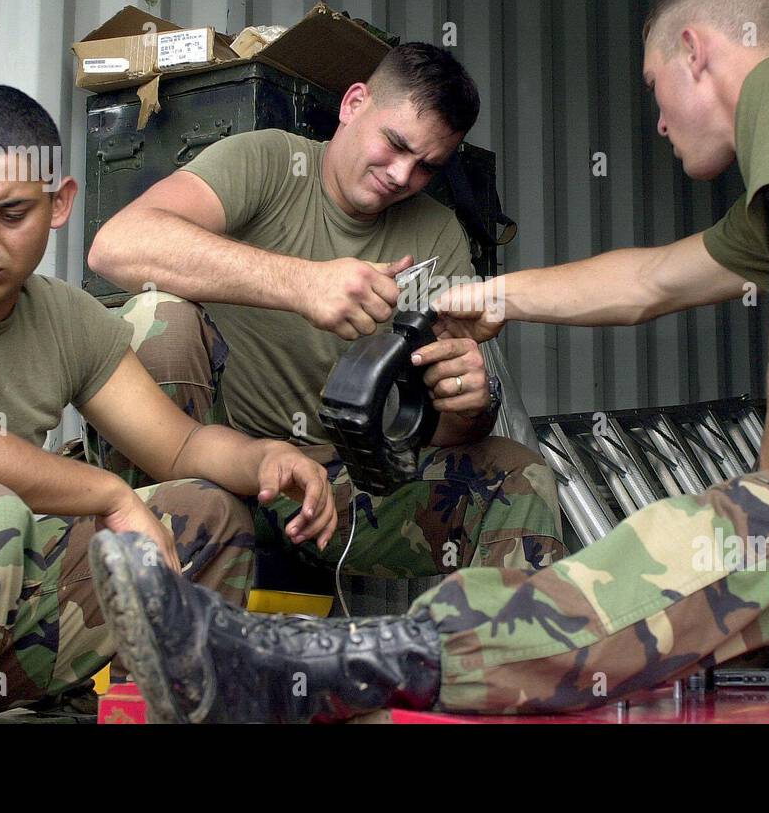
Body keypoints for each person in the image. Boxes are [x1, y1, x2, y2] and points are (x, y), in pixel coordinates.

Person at [87, 0, 769, 723]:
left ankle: (315, 674)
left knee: (723, 536)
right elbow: (653, 279)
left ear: (697, 54)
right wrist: (499, 296)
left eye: (655, 89)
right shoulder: (267, 164)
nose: (655, 122)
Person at [0, 84, 329, 723]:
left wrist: (268, 456)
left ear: (60, 203)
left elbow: (180, 444)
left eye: (11, 213)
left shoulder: (64, 318)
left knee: (205, 516)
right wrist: (109, 493)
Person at [86, 42, 565, 579]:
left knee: (518, 473)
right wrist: (302, 284)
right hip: (210, 464)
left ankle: (513, 659)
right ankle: (149, 572)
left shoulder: (436, 234)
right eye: (395, 144)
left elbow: (438, 434)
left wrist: (467, 406)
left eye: (427, 166)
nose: (402, 175)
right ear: (354, 103)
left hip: (337, 487)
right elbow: (118, 245)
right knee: (157, 315)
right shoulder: (268, 161)